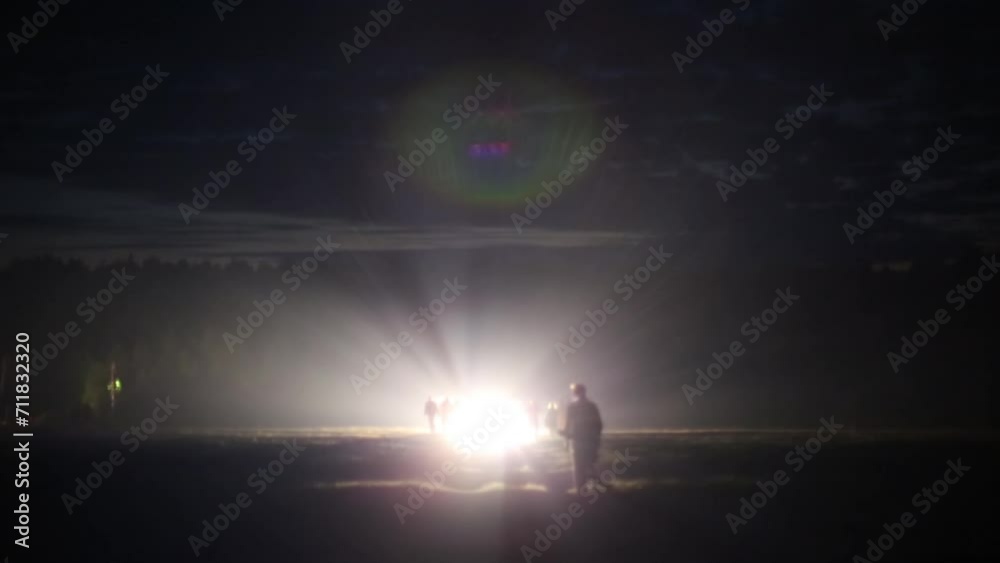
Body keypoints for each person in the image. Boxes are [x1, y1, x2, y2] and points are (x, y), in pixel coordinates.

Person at [560, 383, 603, 493]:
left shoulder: (572, 407)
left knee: (578, 464)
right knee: (591, 462)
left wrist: (565, 435)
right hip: (590, 438)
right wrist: (597, 437)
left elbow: (567, 424)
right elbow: (598, 423)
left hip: (577, 439)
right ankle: (594, 485)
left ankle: (580, 487)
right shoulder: (592, 406)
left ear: (574, 393)